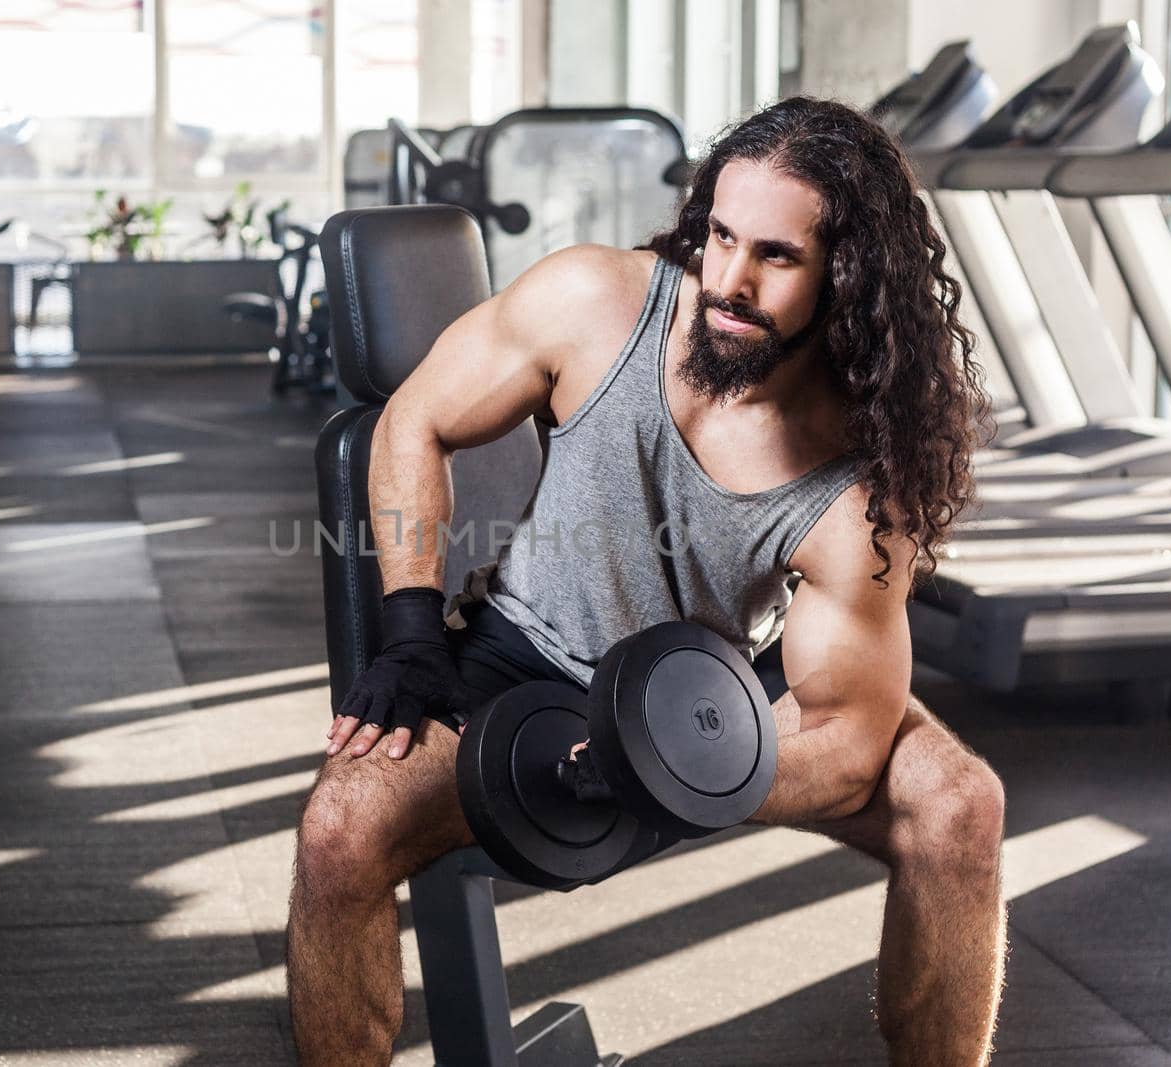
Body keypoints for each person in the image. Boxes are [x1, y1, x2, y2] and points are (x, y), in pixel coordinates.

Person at [287, 96, 1004, 1066]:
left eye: (776, 257)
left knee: (958, 802)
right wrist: (412, 625)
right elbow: (411, 418)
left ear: (849, 275)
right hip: (517, 663)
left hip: (707, 701)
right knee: (340, 826)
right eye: (719, 236)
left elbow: (845, 740)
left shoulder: (860, 475)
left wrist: (659, 767)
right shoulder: (594, 302)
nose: (730, 280)